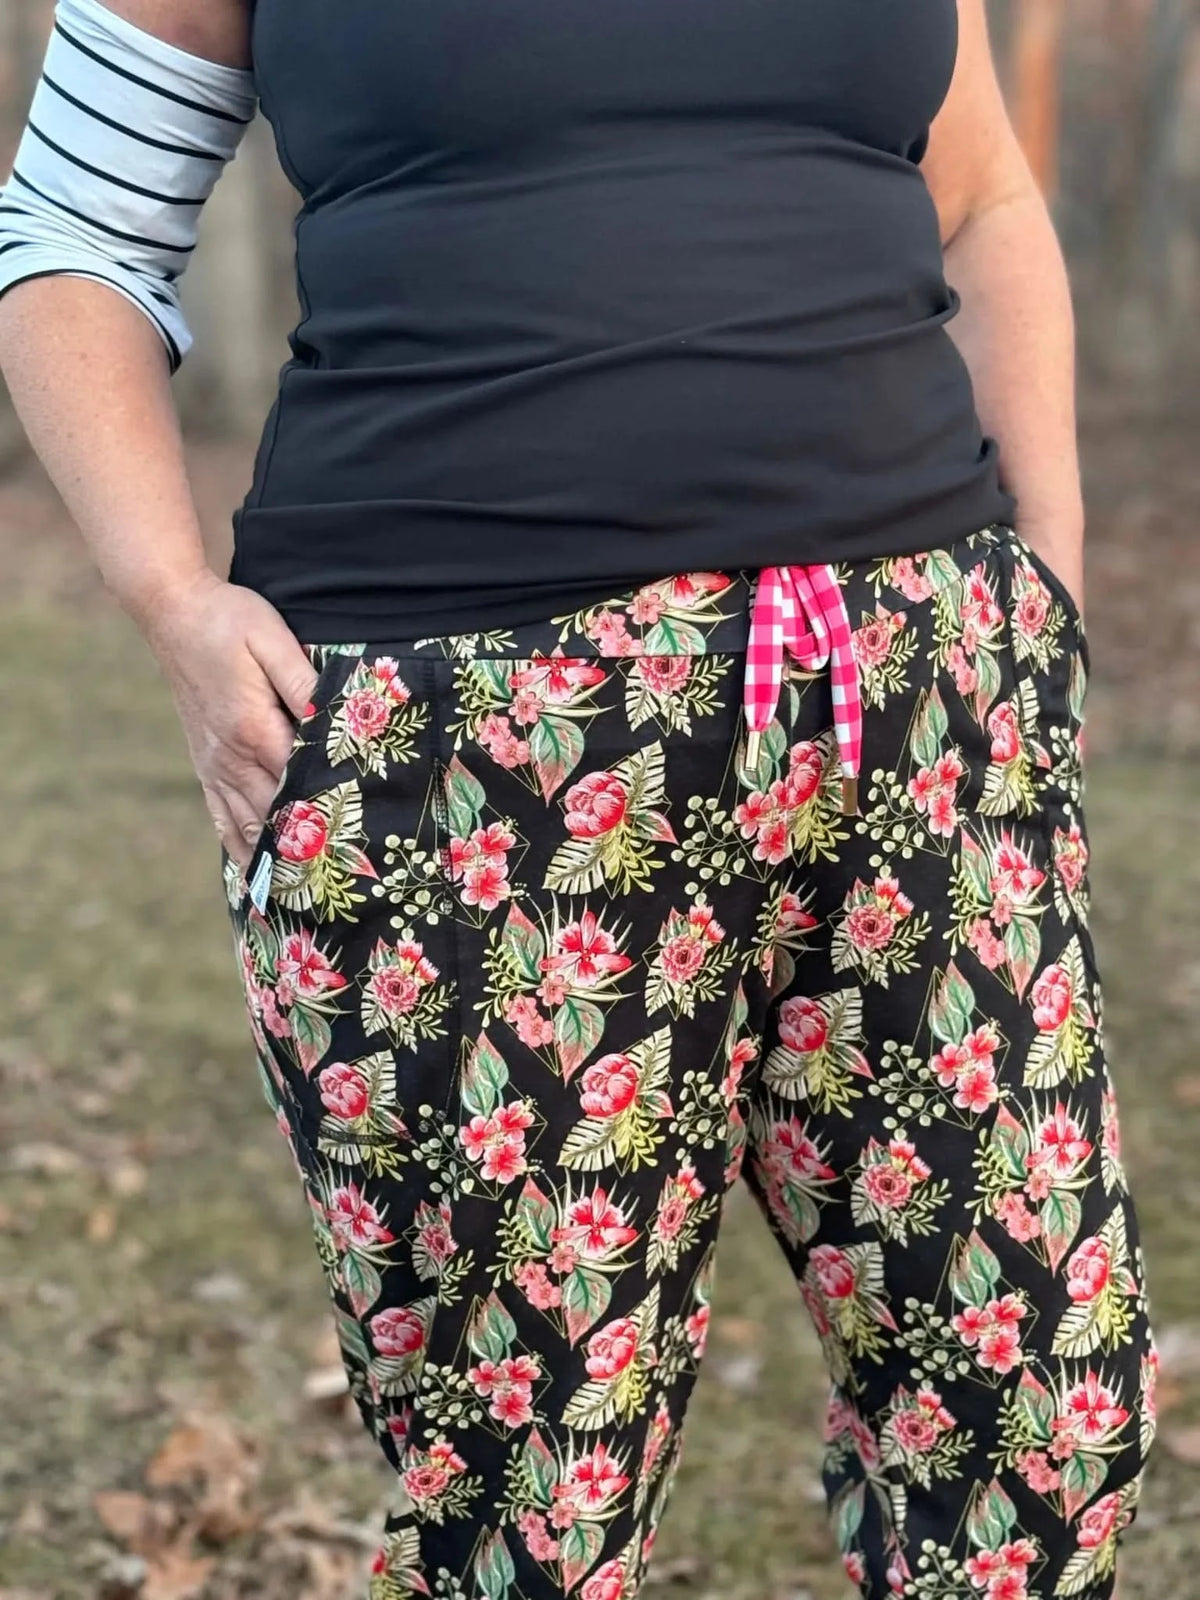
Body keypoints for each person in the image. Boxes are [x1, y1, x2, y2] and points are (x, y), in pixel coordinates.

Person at [0, 0, 1157, 1594]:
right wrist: (169, 600)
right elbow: (75, 226)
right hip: (471, 761)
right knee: (526, 1489)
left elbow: (987, 198)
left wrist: (1046, 582)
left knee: (1039, 1422)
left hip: (917, 702)